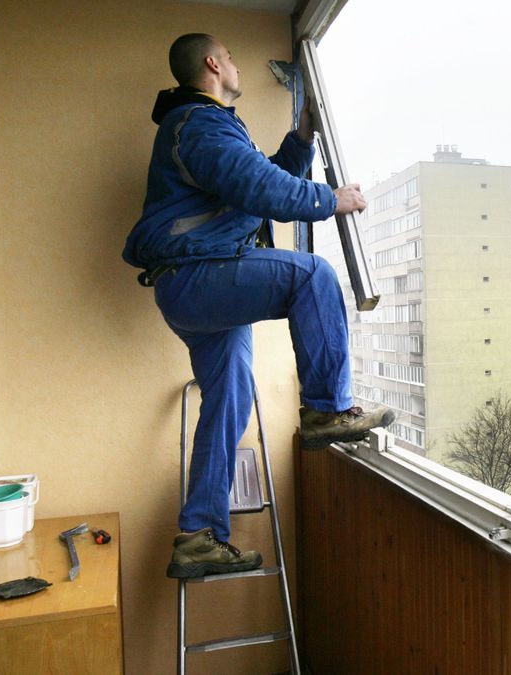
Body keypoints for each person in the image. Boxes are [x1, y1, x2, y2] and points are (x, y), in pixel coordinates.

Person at [124, 33, 395, 578]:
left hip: (195, 285)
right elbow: (259, 187)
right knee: (313, 275)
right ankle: (326, 409)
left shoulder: (206, 127)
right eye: (231, 57)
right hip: (198, 276)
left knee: (229, 399)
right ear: (213, 63)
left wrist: (302, 137)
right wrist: (331, 199)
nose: (237, 65)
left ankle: (199, 535)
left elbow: (261, 178)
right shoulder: (198, 124)